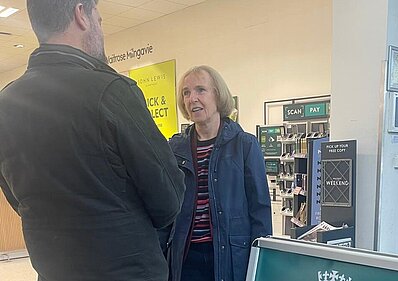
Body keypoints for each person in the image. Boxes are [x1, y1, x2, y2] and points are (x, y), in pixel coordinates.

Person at [0, 1, 185, 280]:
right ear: (81, 15)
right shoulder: (112, 93)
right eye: (99, 19)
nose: (100, 28)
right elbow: (168, 200)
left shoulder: (5, 104)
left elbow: (18, 199)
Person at [167, 65, 272, 281]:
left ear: (218, 95)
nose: (192, 98)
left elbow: (260, 210)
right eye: (186, 93)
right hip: (185, 257)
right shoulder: (175, 148)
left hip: (230, 256)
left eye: (200, 90)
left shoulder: (244, 145)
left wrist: (260, 262)